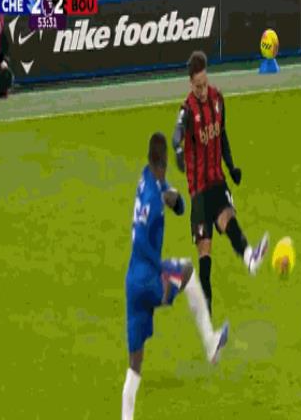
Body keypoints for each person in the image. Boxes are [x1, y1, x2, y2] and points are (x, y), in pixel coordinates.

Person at [122, 132, 228, 420]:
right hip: (149, 279)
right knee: (188, 271)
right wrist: (159, 272)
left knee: (135, 363)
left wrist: (175, 199)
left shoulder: (147, 179)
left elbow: (177, 205)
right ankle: (210, 343)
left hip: (132, 284)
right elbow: (142, 240)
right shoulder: (153, 200)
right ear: (165, 161)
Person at [172, 50, 269, 315]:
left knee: (228, 217)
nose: (203, 90)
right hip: (199, 190)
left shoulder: (218, 99)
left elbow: (222, 135)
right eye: (198, 86)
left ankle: (249, 257)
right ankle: (207, 310)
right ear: (190, 84)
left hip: (217, 180)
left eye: (205, 84)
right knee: (205, 252)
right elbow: (176, 133)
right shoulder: (187, 110)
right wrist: (178, 151)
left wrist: (231, 166)